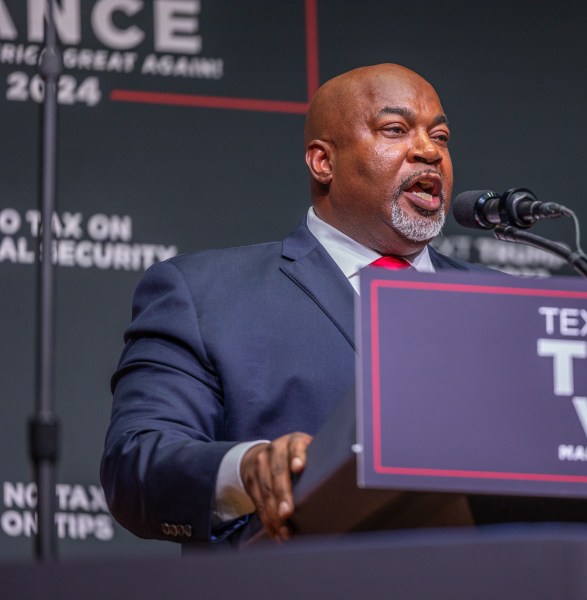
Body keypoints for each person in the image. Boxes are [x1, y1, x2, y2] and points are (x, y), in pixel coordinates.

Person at [101, 63, 489, 547]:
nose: (429, 151)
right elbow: (137, 465)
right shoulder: (203, 295)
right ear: (323, 161)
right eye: (395, 129)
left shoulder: (504, 304)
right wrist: (246, 470)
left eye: (441, 136)